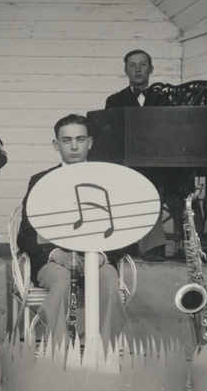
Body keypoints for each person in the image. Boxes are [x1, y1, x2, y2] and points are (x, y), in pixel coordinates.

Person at [16, 114, 127, 342]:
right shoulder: (40, 181)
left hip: (98, 260)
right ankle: (58, 356)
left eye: (80, 139)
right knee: (61, 283)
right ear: (56, 145)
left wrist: (103, 257)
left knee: (109, 285)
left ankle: (105, 355)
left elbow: (125, 231)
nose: (74, 147)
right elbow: (25, 236)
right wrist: (57, 255)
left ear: (90, 143)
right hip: (54, 262)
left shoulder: (108, 179)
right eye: (66, 141)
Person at [104, 49, 176, 261]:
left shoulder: (166, 98)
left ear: (151, 69)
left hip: (160, 167)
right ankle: (129, 244)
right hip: (127, 166)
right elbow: (110, 136)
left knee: (152, 185)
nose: (137, 69)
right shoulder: (115, 100)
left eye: (143, 64)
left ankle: (153, 247)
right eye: (132, 65)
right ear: (125, 70)